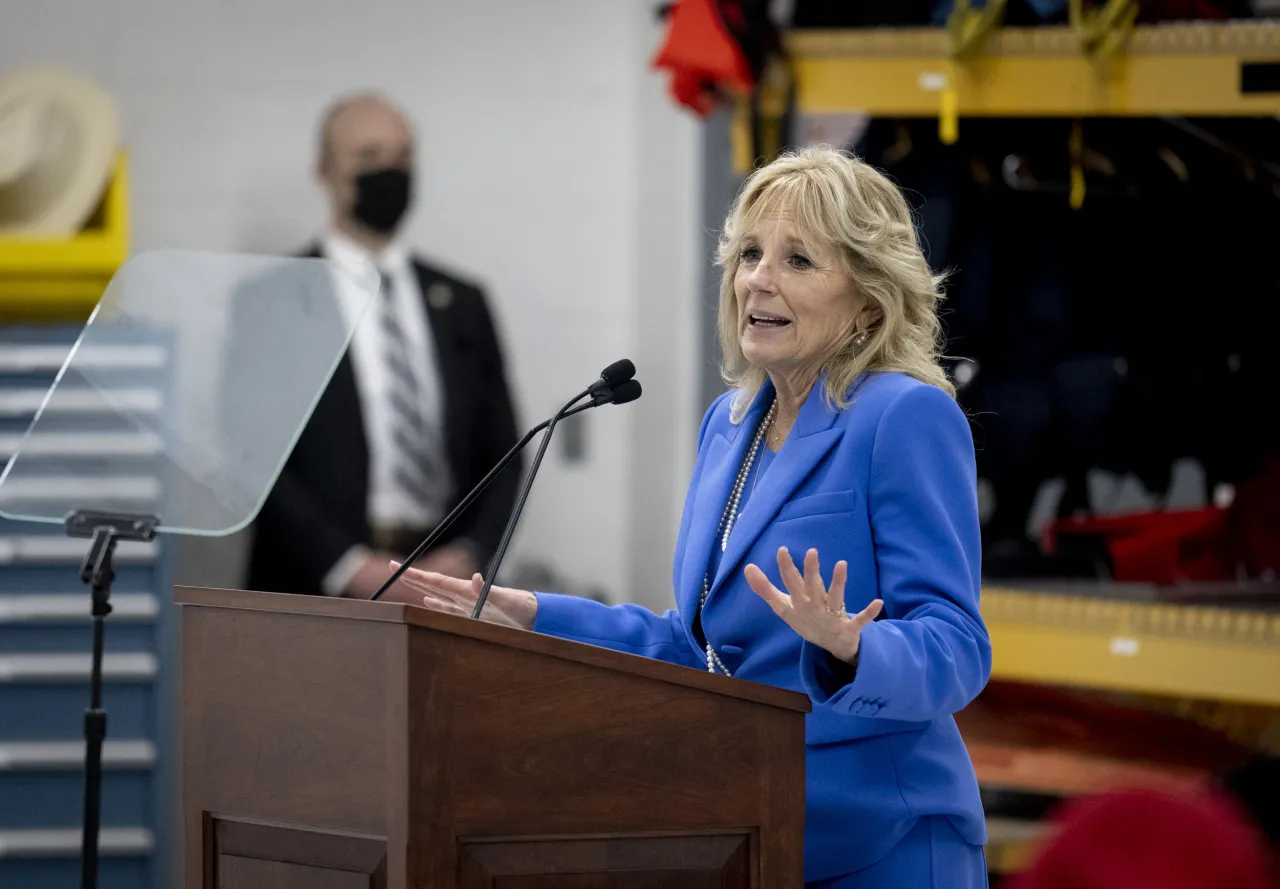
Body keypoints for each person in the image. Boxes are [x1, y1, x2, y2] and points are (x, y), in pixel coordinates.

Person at [395, 145, 991, 887]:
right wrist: (535, 618)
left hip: (884, 841)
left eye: (799, 260)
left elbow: (959, 646)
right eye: (748, 253)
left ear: (868, 299)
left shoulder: (904, 416)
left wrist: (852, 648)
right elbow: (696, 647)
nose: (758, 279)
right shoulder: (730, 423)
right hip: (752, 826)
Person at [244, 92, 520, 600]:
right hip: (312, 592)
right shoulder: (271, 300)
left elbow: (504, 451)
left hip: (445, 584)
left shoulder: (462, 302)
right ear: (325, 171)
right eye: (368, 158)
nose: (389, 171)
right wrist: (347, 567)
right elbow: (253, 457)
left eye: (402, 156)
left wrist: (469, 553)